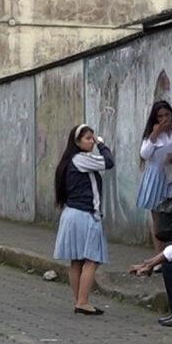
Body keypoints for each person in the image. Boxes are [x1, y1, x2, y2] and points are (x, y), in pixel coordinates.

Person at [53, 124, 114, 315]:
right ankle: (82, 301)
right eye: (88, 138)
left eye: (92, 138)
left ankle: (79, 300)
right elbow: (108, 162)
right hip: (85, 215)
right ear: (77, 142)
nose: (92, 141)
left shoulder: (71, 161)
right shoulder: (81, 159)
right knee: (92, 259)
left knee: (77, 260)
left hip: (72, 214)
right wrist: (102, 144)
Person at [137, 100, 172, 255]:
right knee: (157, 218)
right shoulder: (153, 134)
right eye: (160, 116)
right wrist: (155, 133)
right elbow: (144, 154)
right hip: (156, 176)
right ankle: (159, 254)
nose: (164, 119)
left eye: (167, 115)